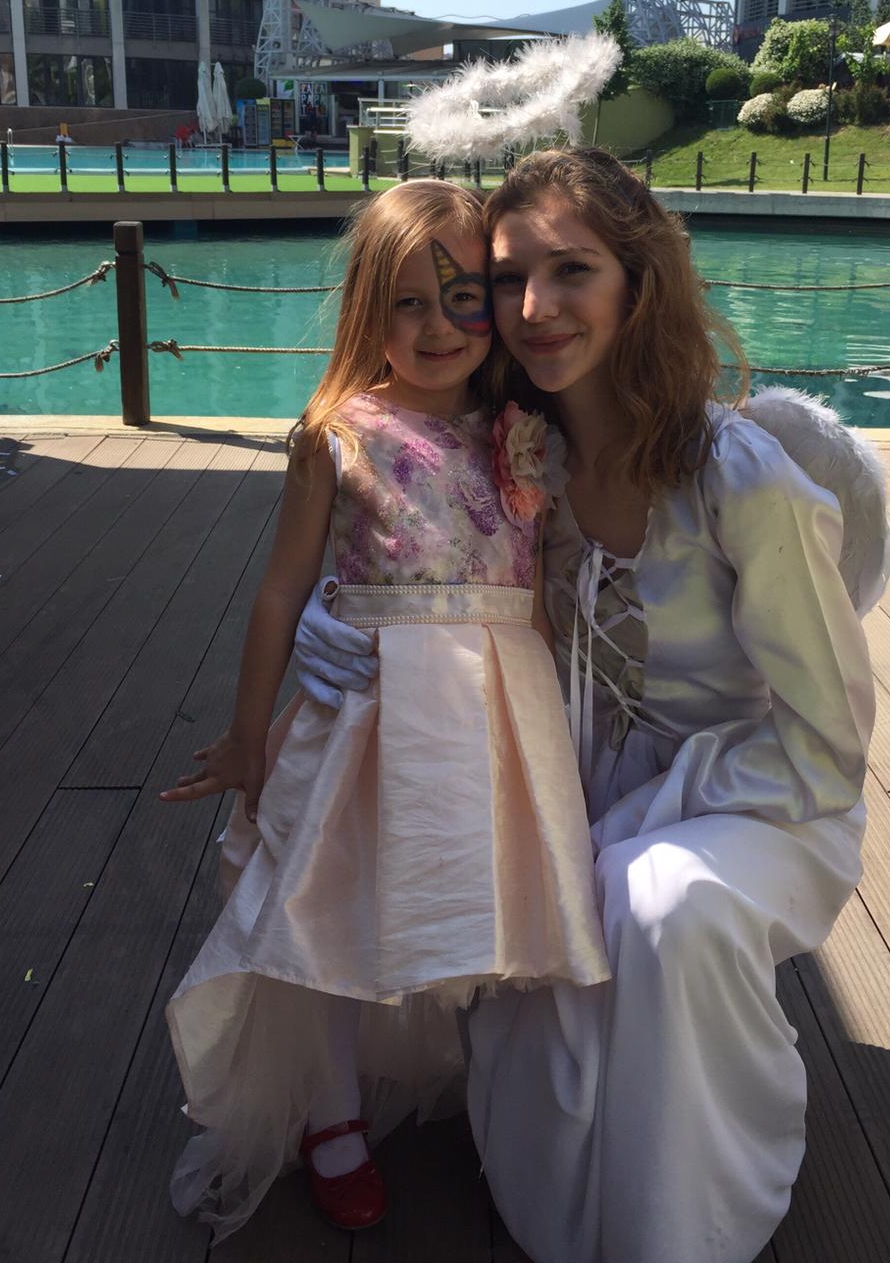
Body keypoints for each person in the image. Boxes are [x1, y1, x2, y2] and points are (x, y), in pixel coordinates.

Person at [293, 147, 885, 1263]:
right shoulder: (523, 461)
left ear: (637, 282)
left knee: (662, 904)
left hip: (760, 802)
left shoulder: (741, 479)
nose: (534, 308)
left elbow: (830, 742)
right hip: (566, 791)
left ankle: (686, 1227)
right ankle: (568, 1198)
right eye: (508, 278)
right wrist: (348, 621)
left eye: (572, 270)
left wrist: (635, 823)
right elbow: (412, 546)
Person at [158, 178, 610, 1243]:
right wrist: (248, 733)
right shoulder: (338, 431)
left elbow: (553, 579)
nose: (439, 326)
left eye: (463, 297)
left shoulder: (527, 430)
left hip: (495, 718)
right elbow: (282, 587)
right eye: (408, 301)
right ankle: (330, 1110)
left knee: (489, 896)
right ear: (369, 308)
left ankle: (504, 1081)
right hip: (365, 716)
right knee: (327, 911)